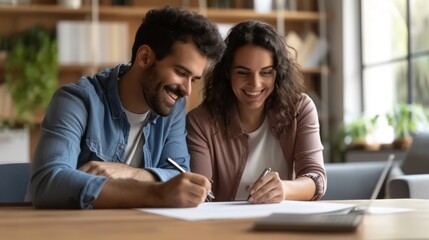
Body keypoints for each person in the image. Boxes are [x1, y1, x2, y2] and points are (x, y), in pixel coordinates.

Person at [29, 6, 225, 209]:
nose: (186, 90)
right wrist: (156, 192)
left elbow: (179, 173)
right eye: (180, 72)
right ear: (144, 57)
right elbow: (47, 182)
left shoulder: (172, 107)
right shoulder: (76, 100)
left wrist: (132, 174)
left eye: (194, 79)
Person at [186, 20, 326, 204]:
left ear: (278, 73)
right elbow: (201, 195)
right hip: (224, 225)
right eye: (243, 73)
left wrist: (284, 188)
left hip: (283, 221)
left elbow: (316, 179)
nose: (255, 84)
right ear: (228, 73)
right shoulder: (201, 121)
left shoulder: (300, 109)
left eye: (266, 72)